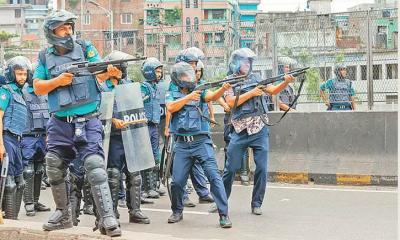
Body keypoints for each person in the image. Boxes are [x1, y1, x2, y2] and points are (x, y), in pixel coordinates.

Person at [32, 10, 121, 236]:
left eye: (70, 26)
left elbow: (99, 73)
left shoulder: (85, 47)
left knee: (95, 167)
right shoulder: (44, 56)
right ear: (51, 31)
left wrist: (108, 72)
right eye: (63, 27)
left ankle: (107, 217)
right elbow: (38, 87)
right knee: (53, 165)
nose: (68, 31)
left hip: (88, 120)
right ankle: (63, 213)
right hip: (60, 122)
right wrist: (59, 80)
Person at [222, 48, 295, 216]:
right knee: (230, 168)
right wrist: (252, 93)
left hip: (259, 127)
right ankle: (221, 199)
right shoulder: (228, 81)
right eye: (244, 61)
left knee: (262, 167)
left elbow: (272, 91)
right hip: (239, 130)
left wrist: (285, 82)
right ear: (236, 63)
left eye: (249, 61)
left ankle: (256, 203)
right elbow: (231, 101)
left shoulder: (257, 78)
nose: (247, 64)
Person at [165, 61, 232, 228]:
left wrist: (223, 89)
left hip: (201, 142)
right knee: (177, 182)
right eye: (185, 75)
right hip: (181, 144)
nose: (189, 77)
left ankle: (223, 214)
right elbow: (171, 107)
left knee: (214, 177)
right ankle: (177, 211)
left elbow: (210, 97)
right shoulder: (171, 92)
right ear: (177, 78)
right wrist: (188, 97)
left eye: (191, 74)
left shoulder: (200, 89)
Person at [102, 50, 151, 225]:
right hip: (113, 137)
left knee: (135, 174)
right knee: (113, 175)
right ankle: (112, 211)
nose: (122, 70)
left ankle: (135, 211)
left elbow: (135, 107)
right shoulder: (102, 86)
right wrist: (112, 119)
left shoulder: (129, 85)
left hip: (131, 135)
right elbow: (98, 111)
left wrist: (140, 118)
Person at [0, 56, 30, 219]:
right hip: (7, 139)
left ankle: (14, 219)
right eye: (19, 74)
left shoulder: (20, 93)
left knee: (21, 181)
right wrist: (1, 145)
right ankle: (8, 219)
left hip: (17, 141)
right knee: (9, 183)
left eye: (24, 74)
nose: (22, 78)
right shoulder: (5, 91)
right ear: (12, 74)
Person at [21, 63, 51, 217]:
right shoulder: (23, 92)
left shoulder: (45, 93)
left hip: (43, 137)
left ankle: (36, 200)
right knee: (28, 170)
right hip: (28, 137)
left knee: (39, 170)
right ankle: (28, 203)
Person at [140, 57, 166, 199]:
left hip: (154, 125)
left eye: (160, 71)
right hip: (146, 125)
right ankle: (145, 187)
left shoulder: (155, 87)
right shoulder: (143, 87)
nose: (159, 74)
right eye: (157, 71)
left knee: (155, 156)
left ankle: (153, 185)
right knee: (146, 156)